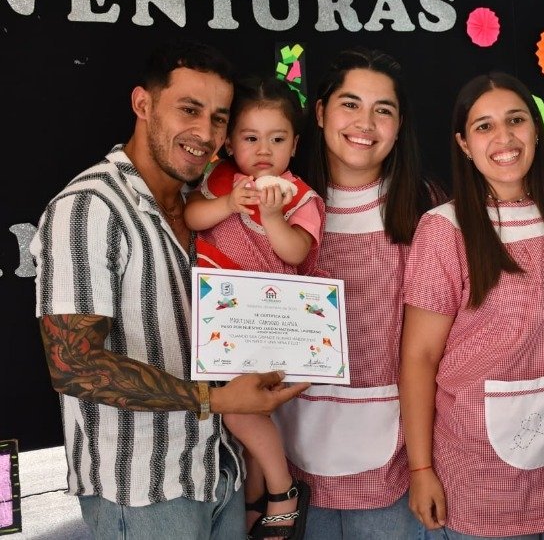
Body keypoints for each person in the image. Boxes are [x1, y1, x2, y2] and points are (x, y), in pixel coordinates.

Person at [30, 40, 310, 540]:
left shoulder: (204, 203)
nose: (205, 133)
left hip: (220, 471)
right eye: (189, 110)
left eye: (219, 118)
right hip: (143, 491)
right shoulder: (90, 207)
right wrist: (216, 401)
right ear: (143, 104)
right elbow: (73, 365)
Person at [399, 72, 544, 539]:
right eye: (484, 126)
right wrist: (420, 468)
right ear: (463, 143)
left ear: (536, 129)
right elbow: (419, 356)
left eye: (516, 120)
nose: (504, 137)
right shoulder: (445, 228)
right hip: (481, 472)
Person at [273, 47, 443, 539]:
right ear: (320, 112)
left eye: (382, 110)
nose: (365, 123)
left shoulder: (426, 209)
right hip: (289, 449)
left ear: (399, 125)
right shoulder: (277, 204)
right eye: (350, 104)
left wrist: (423, 466)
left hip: (397, 460)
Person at [184, 76, 321, 538]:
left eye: (277, 139)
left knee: (240, 410)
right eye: (250, 138)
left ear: (295, 145)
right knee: (250, 418)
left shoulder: (299, 195)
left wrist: (274, 215)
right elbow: (191, 217)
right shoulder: (219, 181)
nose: (264, 150)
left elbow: (296, 252)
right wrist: (226, 203)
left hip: (270, 322)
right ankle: (255, 497)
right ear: (229, 143)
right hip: (223, 321)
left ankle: (283, 490)